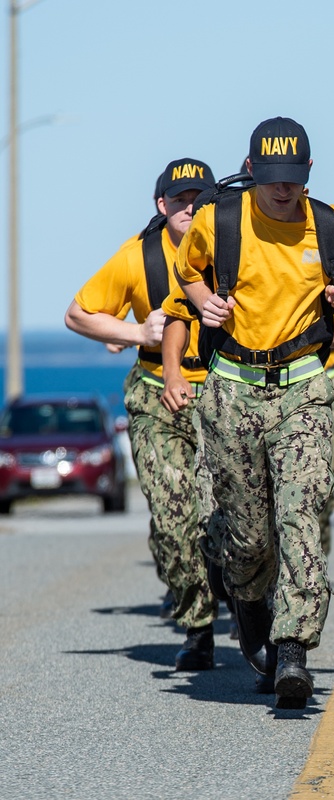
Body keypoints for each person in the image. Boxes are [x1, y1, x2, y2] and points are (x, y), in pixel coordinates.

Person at [166, 117, 334, 708]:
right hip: (232, 389)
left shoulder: (333, 224)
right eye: (270, 178)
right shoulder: (219, 219)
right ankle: (247, 598)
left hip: (304, 390)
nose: (281, 190)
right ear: (251, 169)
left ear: (308, 173)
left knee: (302, 515)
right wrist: (202, 302)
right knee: (247, 535)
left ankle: (293, 651)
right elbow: (185, 272)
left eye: (291, 179)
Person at [65, 158, 220, 671]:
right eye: (180, 200)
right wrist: (137, 334)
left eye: (199, 198)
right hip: (158, 393)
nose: (189, 208)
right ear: (162, 205)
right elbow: (78, 313)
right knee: (173, 515)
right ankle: (197, 625)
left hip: (226, 392)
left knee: (236, 517)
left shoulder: (235, 247)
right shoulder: (138, 258)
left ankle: (249, 603)